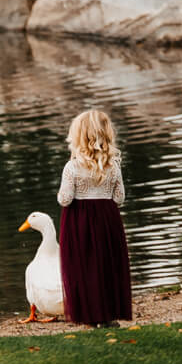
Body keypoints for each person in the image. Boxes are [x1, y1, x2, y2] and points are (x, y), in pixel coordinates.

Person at [57, 109, 132, 325]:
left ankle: (90, 314)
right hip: (107, 221)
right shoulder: (113, 166)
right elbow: (119, 198)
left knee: (83, 267)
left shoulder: (72, 167)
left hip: (79, 221)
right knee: (107, 264)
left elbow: (65, 199)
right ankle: (109, 314)